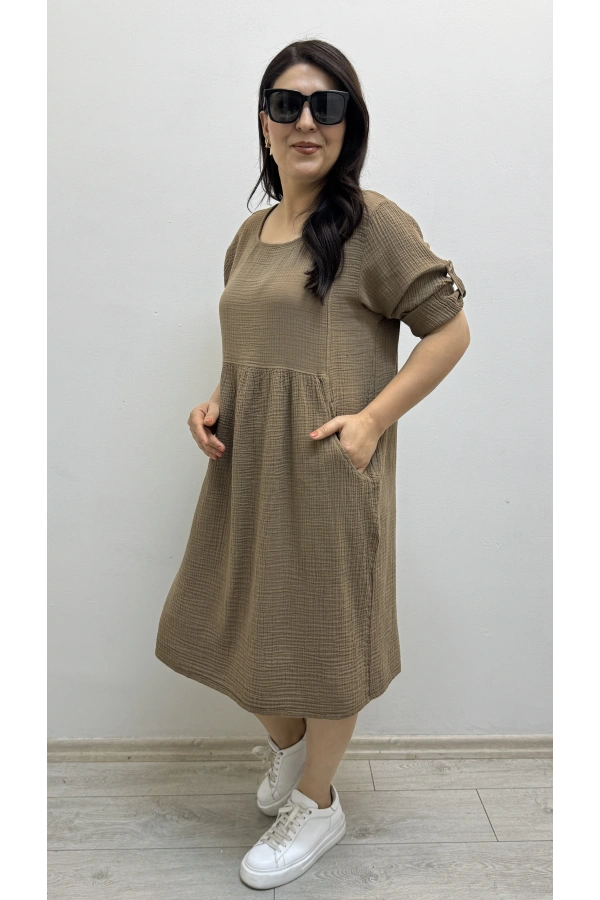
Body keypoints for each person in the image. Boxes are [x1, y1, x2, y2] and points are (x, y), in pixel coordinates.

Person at [155, 39, 470, 890]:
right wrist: (215, 400)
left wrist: (372, 420)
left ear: (347, 124)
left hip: (329, 471)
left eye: (325, 106)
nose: (305, 121)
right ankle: (292, 752)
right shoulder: (248, 236)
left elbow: (449, 332)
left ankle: (318, 803)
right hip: (248, 468)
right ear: (263, 121)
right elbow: (255, 346)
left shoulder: (372, 224)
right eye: (287, 103)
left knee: (328, 640)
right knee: (229, 621)